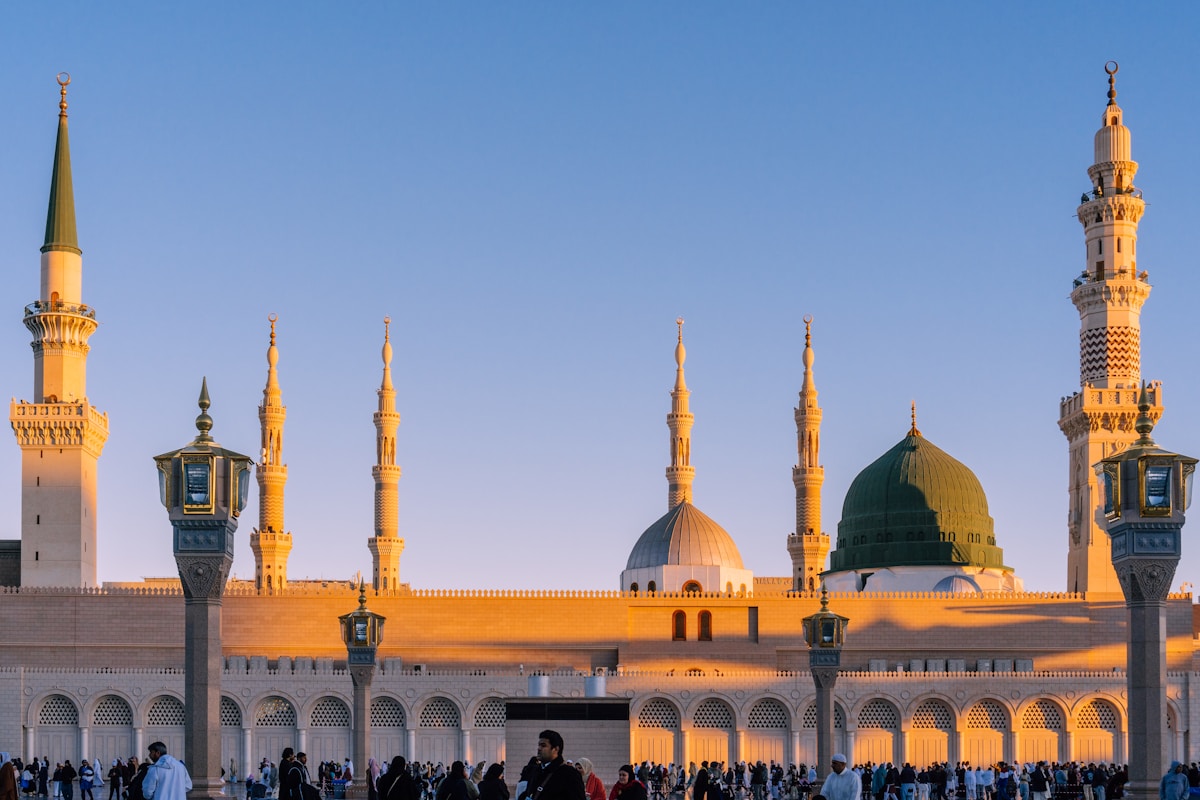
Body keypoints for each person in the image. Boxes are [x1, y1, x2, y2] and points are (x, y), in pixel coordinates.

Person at [533, 731, 585, 800]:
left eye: (543, 745)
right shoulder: (536, 771)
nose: (539, 748)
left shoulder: (569, 775)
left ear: (556, 749)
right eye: (539, 745)